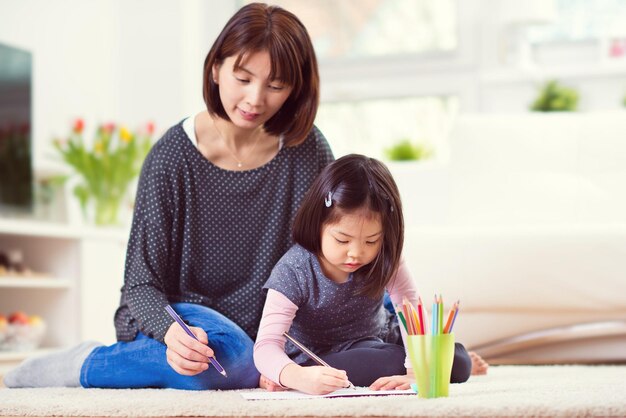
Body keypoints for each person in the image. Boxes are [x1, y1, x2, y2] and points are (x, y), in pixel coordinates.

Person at [4, 2, 333, 390]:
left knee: (362, 348)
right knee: (235, 361)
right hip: (188, 315)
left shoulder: (307, 150)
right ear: (215, 69)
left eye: (275, 86)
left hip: (271, 322)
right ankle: (87, 364)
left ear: (294, 89)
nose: (255, 99)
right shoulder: (172, 158)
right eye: (242, 78)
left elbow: (332, 250)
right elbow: (141, 284)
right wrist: (171, 334)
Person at [253, 154, 480, 395]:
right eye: (342, 239)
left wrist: (415, 373)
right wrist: (294, 375)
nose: (356, 253)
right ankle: (285, 376)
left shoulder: (386, 257)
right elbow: (266, 345)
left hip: (378, 339)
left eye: (371, 241)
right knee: (400, 360)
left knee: (458, 361)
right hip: (320, 355)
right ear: (317, 223)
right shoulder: (295, 269)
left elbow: (410, 312)